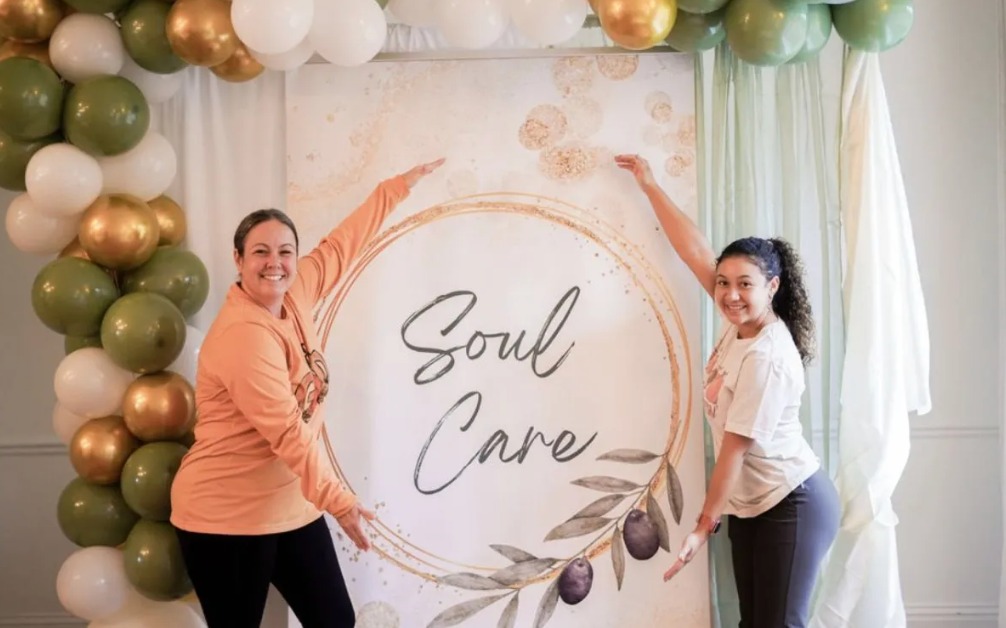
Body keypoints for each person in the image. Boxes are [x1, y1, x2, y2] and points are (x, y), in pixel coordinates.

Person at [169, 158, 445, 628]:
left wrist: (394, 188)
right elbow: (287, 432)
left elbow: (340, 247)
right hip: (226, 515)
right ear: (238, 260)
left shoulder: (294, 295)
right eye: (259, 252)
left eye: (284, 252)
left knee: (334, 620)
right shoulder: (243, 335)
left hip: (290, 504)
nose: (274, 263)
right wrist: (340, 502)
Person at [614, 154, 840, 627]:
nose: (730, 294)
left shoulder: (767, 357)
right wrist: (650, 185)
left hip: (792, 501)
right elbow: (695, 250)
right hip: (751, 503)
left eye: (745, 285)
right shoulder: (739, 323)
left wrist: (703, 527)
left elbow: (734, 451)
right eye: (724, 283)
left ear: (772, 286)